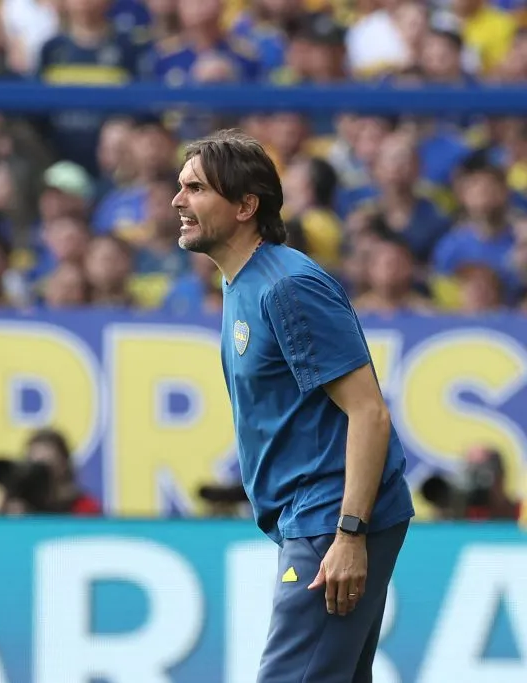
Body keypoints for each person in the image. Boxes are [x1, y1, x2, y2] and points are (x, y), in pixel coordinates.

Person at [171, 129, 414, 683]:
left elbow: (369, 413)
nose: (177, 201)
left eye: (195, 188)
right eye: (180, 186)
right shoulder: (242, 283)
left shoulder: (288, 287)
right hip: (309, 517)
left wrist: (348, 534)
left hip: (330, 518)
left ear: (245, 206)